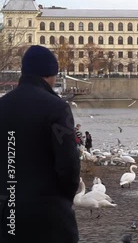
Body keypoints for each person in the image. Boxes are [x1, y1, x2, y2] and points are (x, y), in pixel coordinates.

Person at [0, 45, 80, 242]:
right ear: (51, 74)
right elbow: (68, 164)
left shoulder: (2, 106)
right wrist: (63, 200)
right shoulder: (58, 108)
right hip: (49, 214)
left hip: (8, 213)